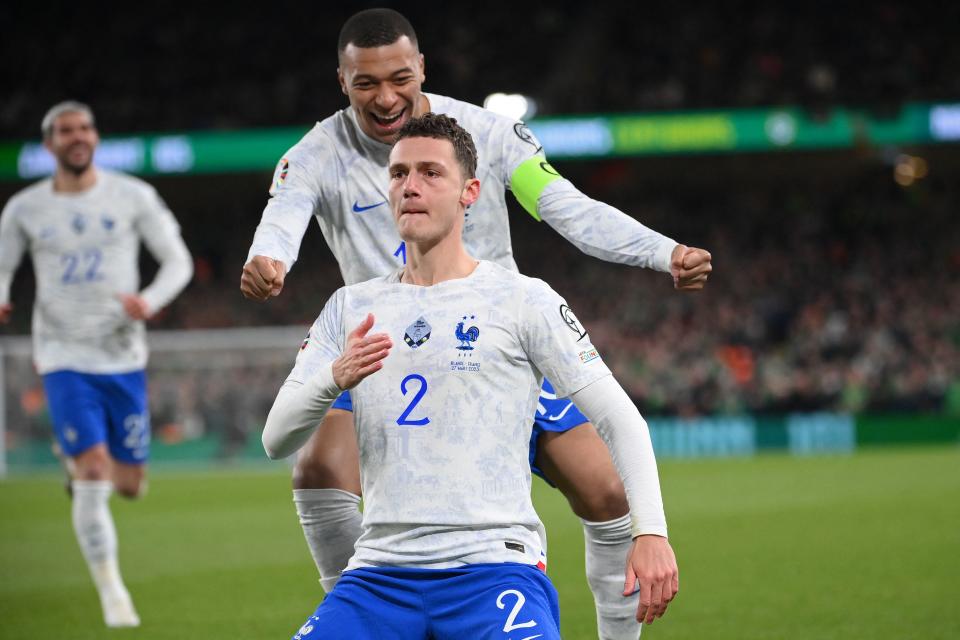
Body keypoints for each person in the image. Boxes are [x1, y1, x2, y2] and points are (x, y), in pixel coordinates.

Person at [242, 9, 709, 638]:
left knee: (608, 496)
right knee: (317, 469)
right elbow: (284, 216)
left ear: (423, 69)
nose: (386, 98)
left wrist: (662, 252)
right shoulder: (317, 153)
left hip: (494, 346)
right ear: (342, 81)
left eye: (400, 78)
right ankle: (368, 602)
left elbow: (564, 206)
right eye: (365, 84)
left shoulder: (488, 134)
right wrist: (268, 258)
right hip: (382, 350)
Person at [0, 101, 193, 628]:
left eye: (84, 128)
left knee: (127, 484)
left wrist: (149, 301)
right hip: (62, 354)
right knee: (92, 472)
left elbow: (178, 261)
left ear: (96, 137)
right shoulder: (24, 209)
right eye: (65, 130)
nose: (77, 136)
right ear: (49, 145)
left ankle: (84, 469)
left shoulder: (132, 195)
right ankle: (114, 595)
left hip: (122, 356)